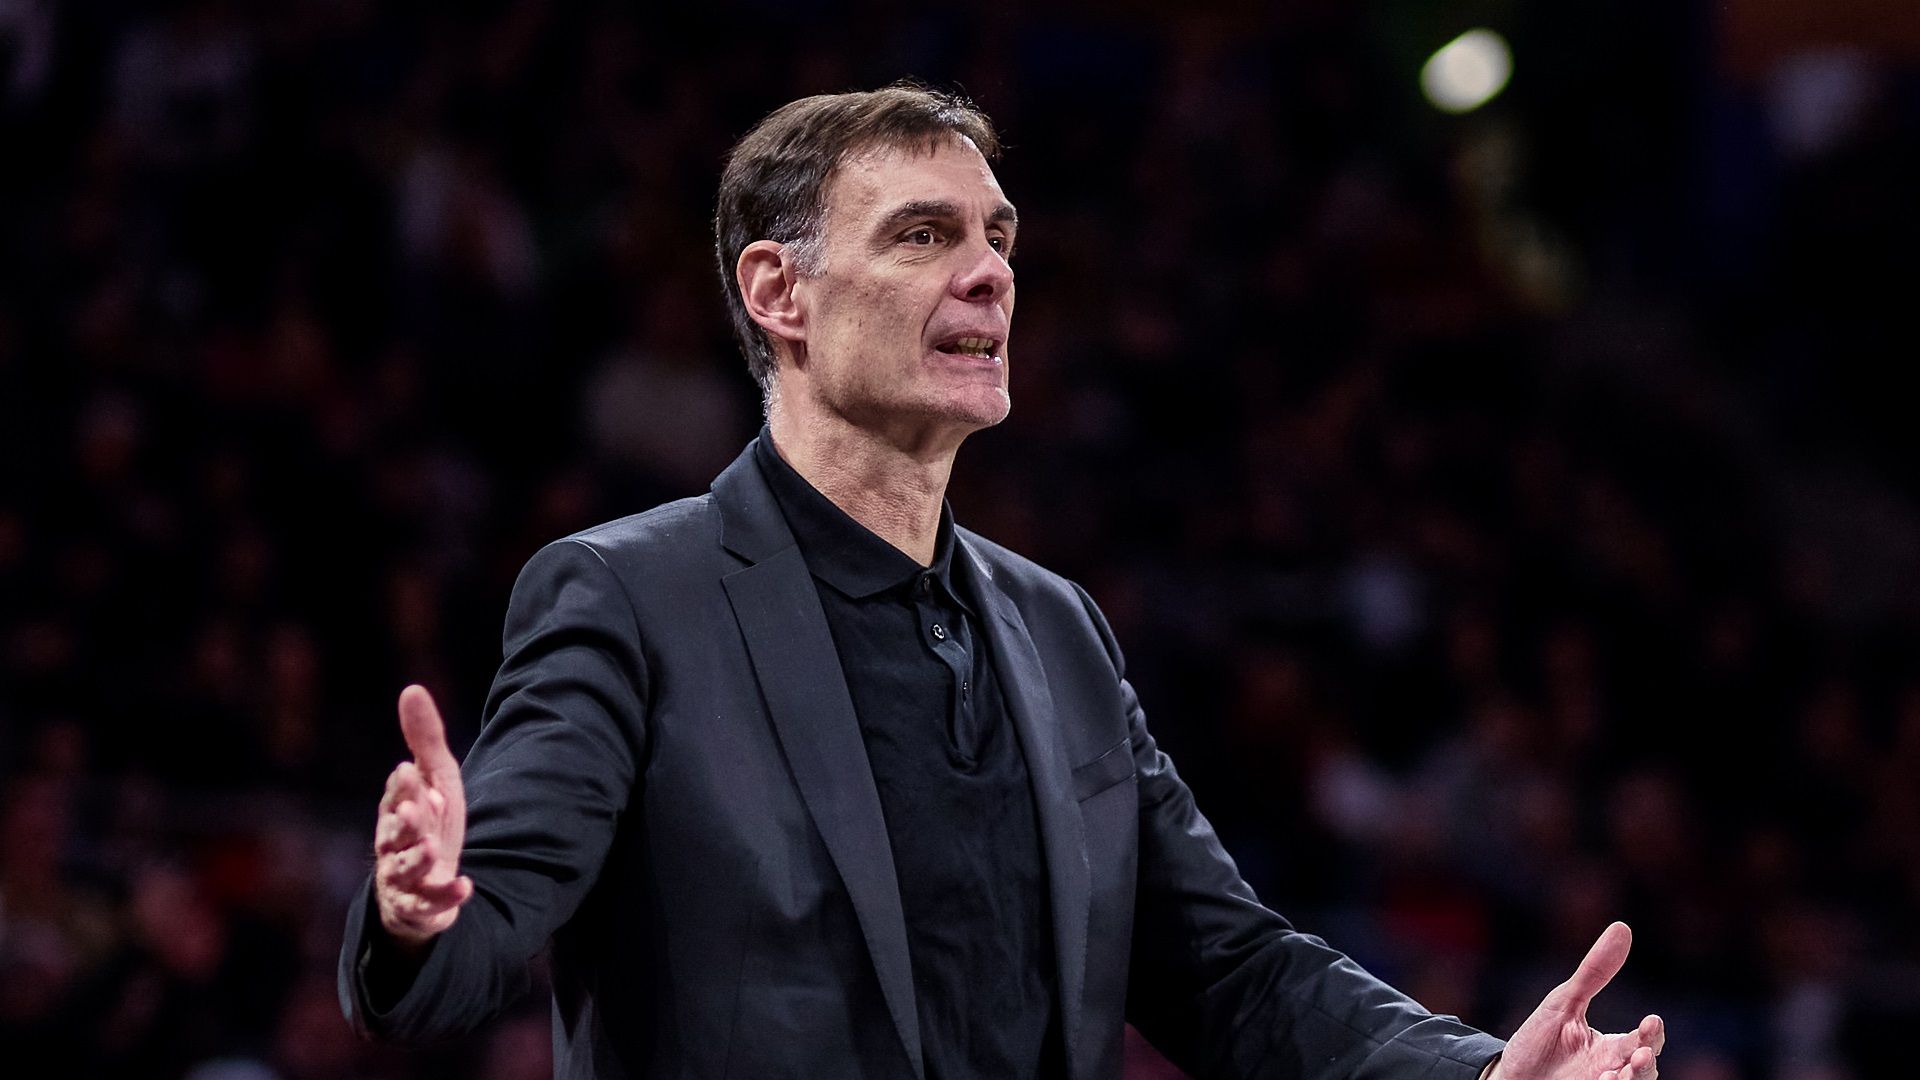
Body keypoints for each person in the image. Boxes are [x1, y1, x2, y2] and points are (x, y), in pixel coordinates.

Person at [338, 84, 1667, 1080]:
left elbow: (1229, 966)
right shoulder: (629, 597)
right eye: (922, 236)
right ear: (779, 293)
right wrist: (417, 913)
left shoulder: (1059, 630)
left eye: (997, 236)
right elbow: (470, 930)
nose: (989, 273)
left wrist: (1474, 1073)